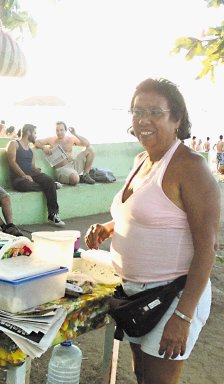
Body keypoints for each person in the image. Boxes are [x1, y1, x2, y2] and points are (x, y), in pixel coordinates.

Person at [85, 78, 219, 384]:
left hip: (172, 295)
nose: (143, 120)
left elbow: (207, 248)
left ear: (177, 120)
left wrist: (183, 317)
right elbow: (148, 216)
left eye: (155, 112)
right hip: (135, 293)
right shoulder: (141, 160)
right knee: (142, 375)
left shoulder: (190, 167)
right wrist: (108, 228)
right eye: (137, 112)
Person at [6, 124, 65, 227]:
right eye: (35, 133)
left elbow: (32, 167)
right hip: (19, 178)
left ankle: (53, 215)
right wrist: (24, 175)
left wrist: (37, 171)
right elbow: (12, 161)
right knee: (25, 185)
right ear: (28, 132)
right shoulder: (14, 144)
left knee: (49, 181)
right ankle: (52, 187)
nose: (36, 136)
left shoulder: (31, 150)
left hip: (32, 175)